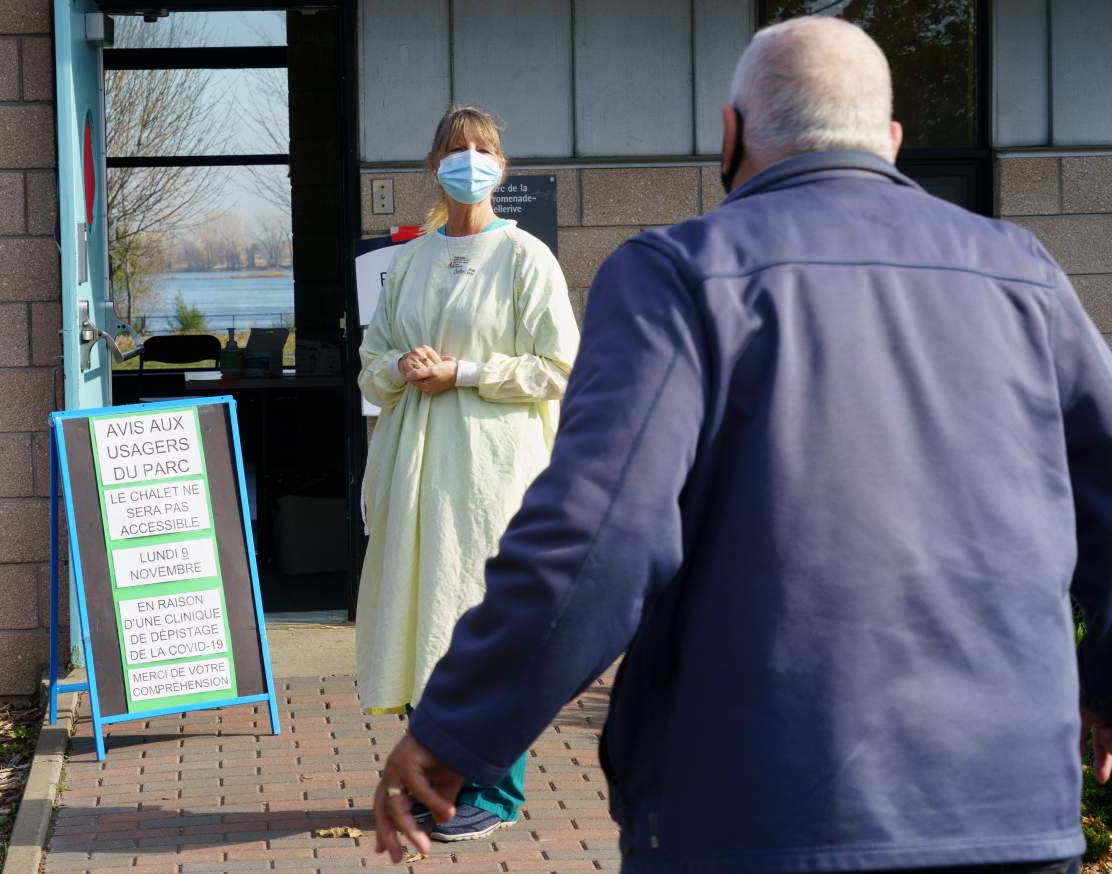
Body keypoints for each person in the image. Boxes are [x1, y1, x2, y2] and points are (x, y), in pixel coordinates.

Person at [373, 15, 1112, 873]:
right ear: (894, 141)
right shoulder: (1026, 274)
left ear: (730, 134)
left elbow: (595, 545)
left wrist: (461, 728)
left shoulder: (678, 275)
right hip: (1011, 806)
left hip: (758, 810)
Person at [356, 105, 580, 842]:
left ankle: (497, 788)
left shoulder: (524, 257)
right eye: (455, 151)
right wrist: (400, 364)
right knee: (425, 612)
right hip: (416, 466)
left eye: (481, 151)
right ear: (433, 166)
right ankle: (433, 783)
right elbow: (374, 353)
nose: (469, 163)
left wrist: (467, 371)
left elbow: (558, 366)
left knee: (480, 617)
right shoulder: (415, 258)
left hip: (490, 468)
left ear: (501, 168)